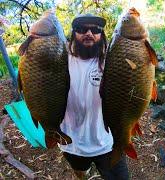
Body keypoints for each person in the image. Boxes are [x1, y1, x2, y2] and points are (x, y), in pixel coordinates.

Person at [59, 13, 129, 180]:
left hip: (107, 142)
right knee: (79, 171)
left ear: (102, 34)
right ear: (73, 33)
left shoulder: (113, 61)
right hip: (71, 143)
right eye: (82, 29)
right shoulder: (59, 60)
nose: (89, 33)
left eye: (95, 29)